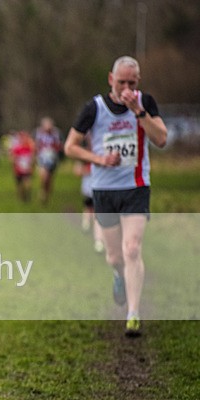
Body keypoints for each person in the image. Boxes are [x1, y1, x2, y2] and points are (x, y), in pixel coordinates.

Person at [64, 55, 167, 337]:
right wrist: (97, 158)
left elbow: (161, 139)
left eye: (131, 83)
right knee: (113, 256)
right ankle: (119, 276)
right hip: (104, 190)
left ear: (138, 82)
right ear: (111, 79)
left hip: (136, 187)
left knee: (132, 248)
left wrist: (139, 113)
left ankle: (133, 314)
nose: (125, 88)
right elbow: (70, 147)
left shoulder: (145, 104)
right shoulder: (94, 108)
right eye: (121, 82)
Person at [35, 117, 62, 204]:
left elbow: (59, 145)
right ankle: (43, 191)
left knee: (49, 178)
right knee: (43, 176)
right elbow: (36, 145)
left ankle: (46, 194)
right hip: (42, 158)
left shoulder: (56, 133)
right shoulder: (39, 133)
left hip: (52, 158)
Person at [10, 130, 35, 202]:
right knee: (20, 185)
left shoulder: (30, 148)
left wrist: (32, 167)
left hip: (27, 169)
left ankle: (27, 197)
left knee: (28, 184)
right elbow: (13, 159)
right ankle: (22, 198)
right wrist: (14, 168)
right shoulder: (17, 148)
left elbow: (33, 159)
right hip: (19, 169)